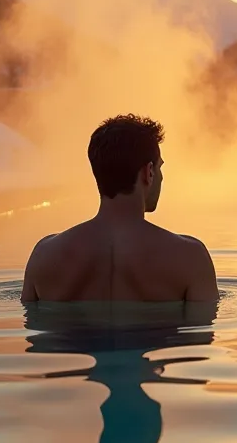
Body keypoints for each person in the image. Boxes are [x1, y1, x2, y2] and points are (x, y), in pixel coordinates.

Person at [20, 114, 219, 303]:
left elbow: (31, 327)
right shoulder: (190, 257)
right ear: (148, 172)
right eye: (159, 168)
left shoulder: (44, 255)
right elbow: (200, 334)